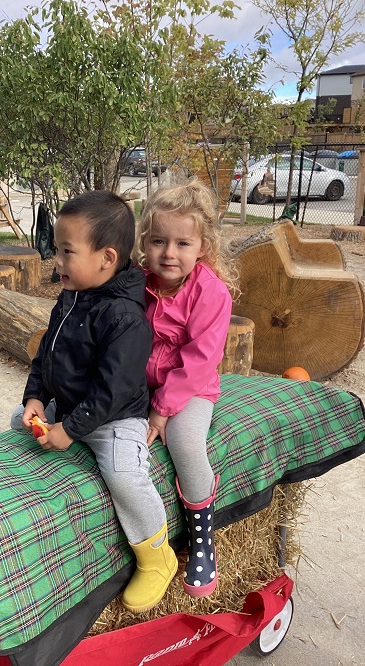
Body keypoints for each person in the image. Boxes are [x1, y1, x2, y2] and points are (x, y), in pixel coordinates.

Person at [11, 190, 177, 613]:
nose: (57, 261)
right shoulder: (72, 296)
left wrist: (70, 429)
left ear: (106, 258)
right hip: (70, 405)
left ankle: (157, 556)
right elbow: (47, 353)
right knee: (18, 419)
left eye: (67, 252)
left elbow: (113, 391)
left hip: (114, 418)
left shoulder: (125, 320)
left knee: (123, 474)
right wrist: (35, 396)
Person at [133, 178, 238, 597]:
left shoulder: (210, 293)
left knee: (186, 442)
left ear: (203, 247)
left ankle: (201, 540)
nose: (169, 253)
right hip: (140, 383)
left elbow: (200, 360)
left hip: (192, 389)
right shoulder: (138, 283)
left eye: (182, 243)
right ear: (145, 241)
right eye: (158, 241)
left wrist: (161, 410)